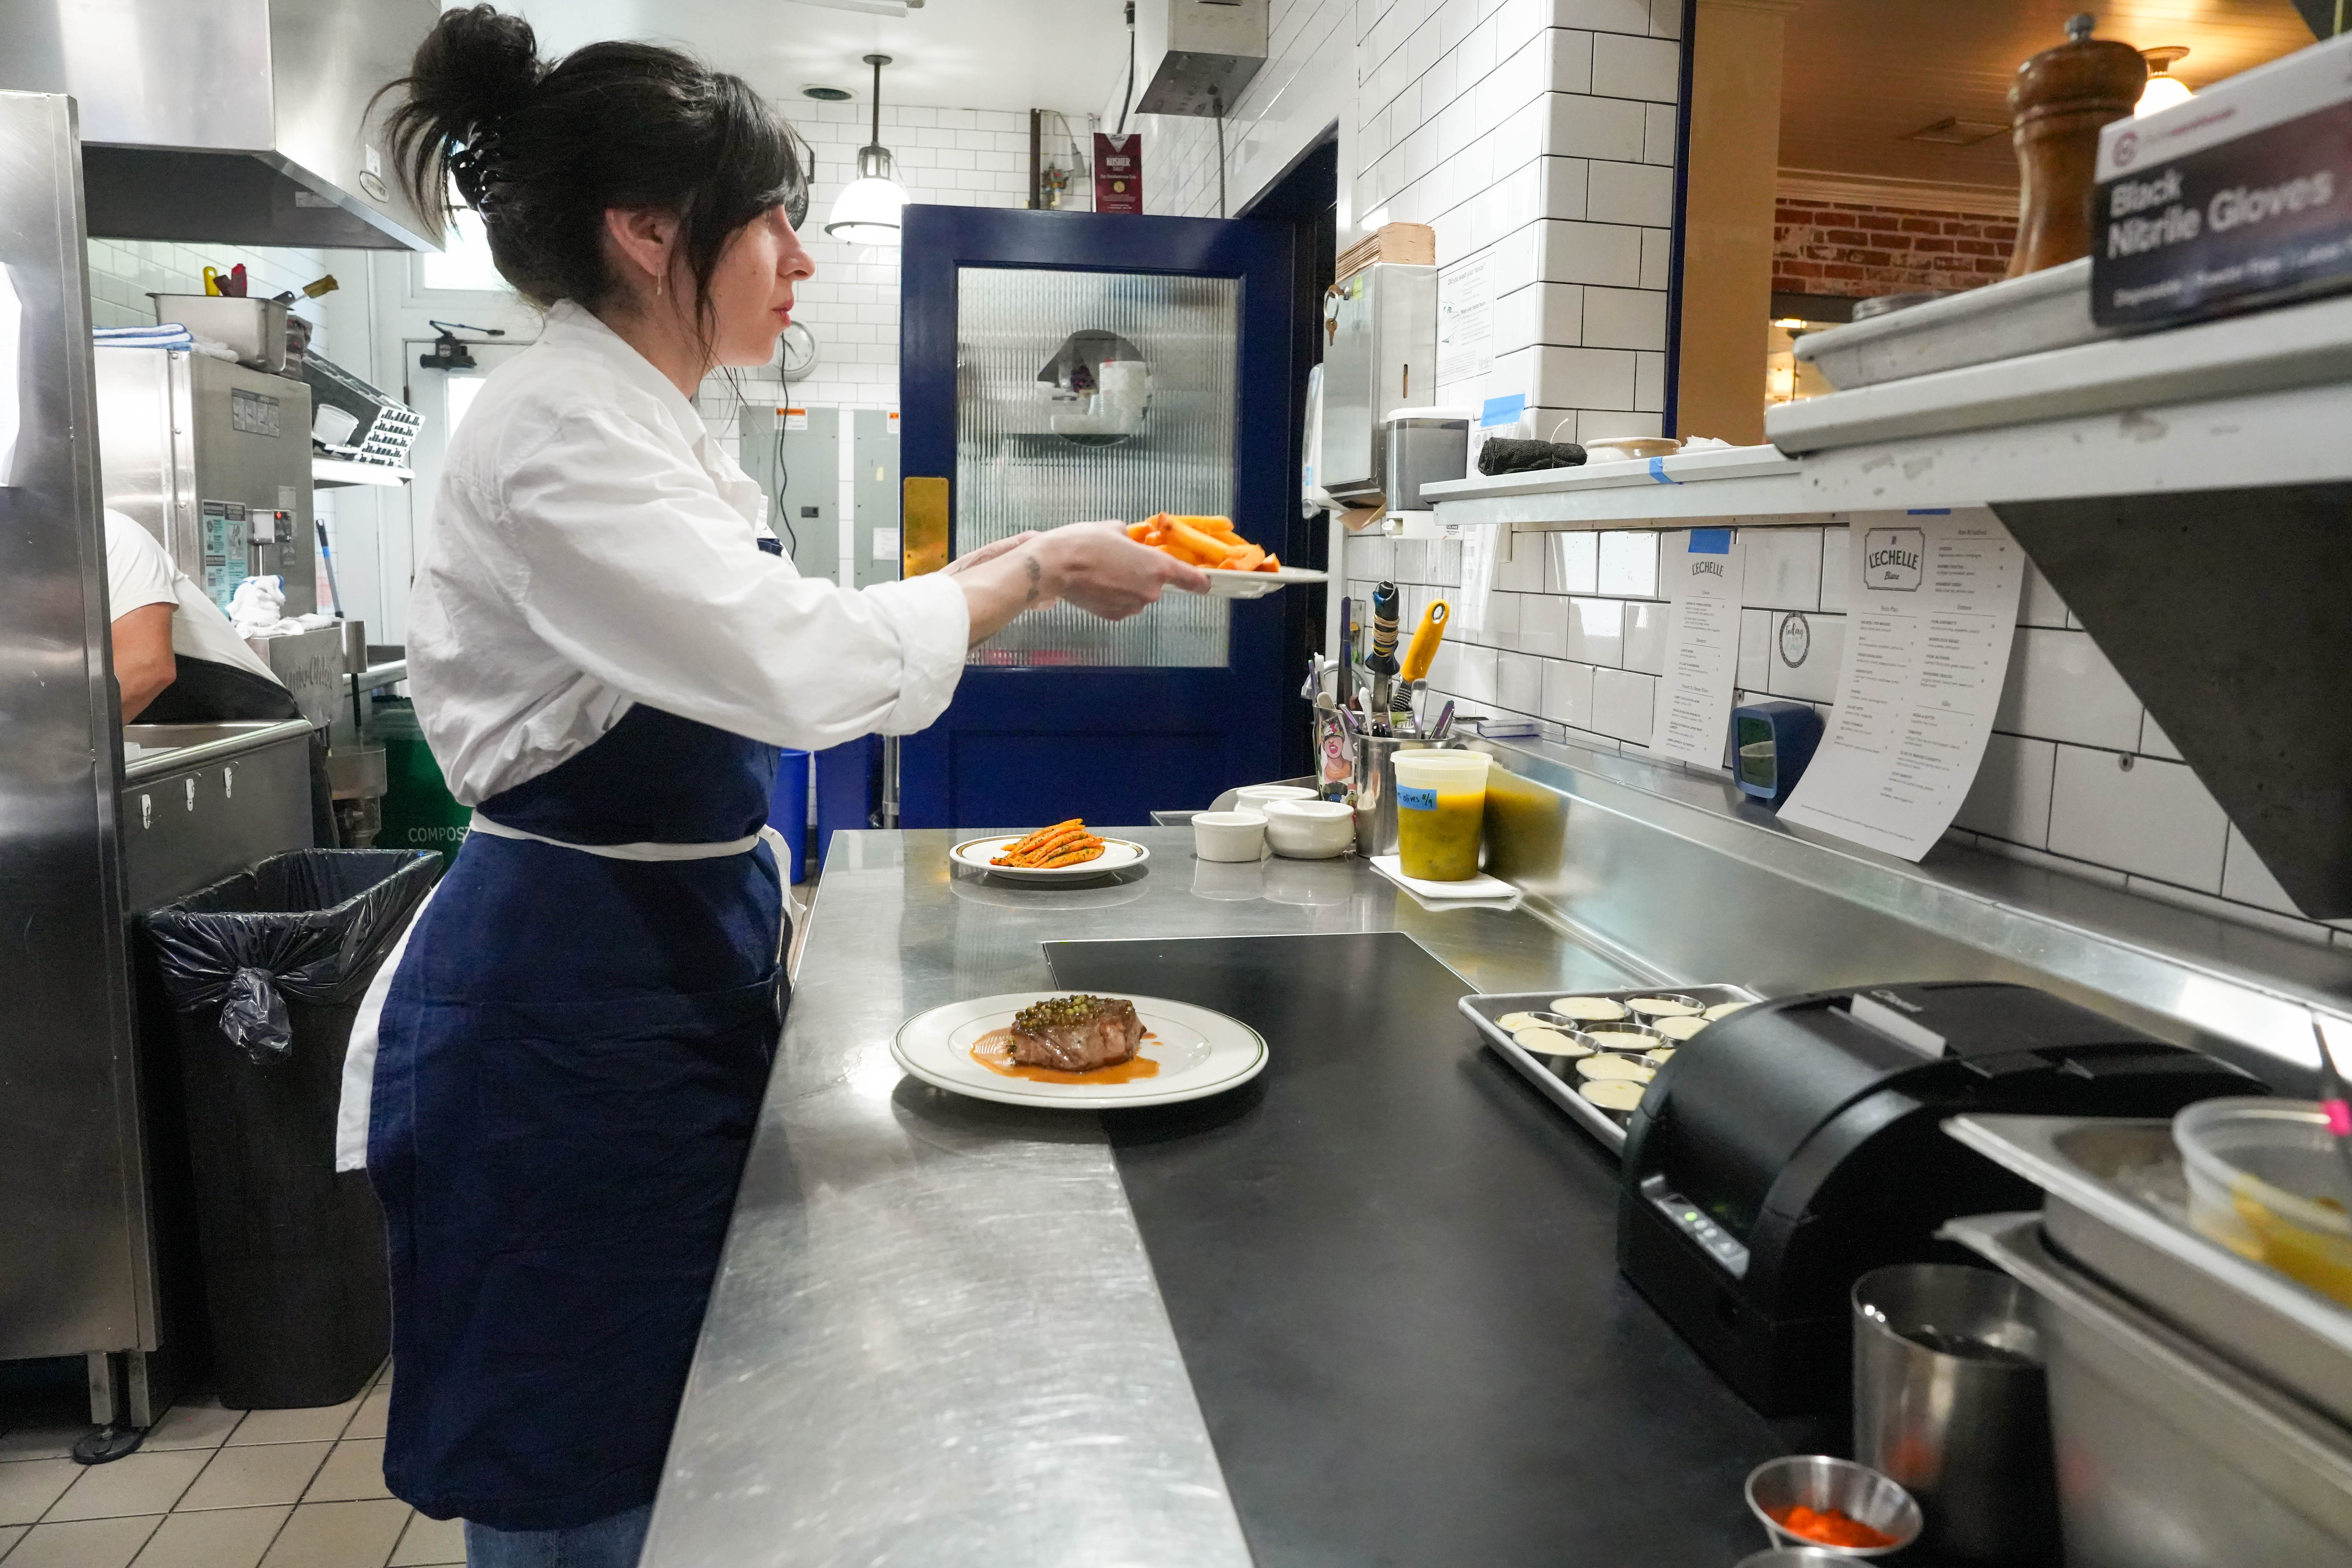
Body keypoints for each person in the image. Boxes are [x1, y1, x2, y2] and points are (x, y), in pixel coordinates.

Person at [346, 11, 1208, 1566]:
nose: (798, 260)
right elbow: (802, 671)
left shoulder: (650, 422)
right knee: (579, 1457)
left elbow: (776, 652)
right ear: (648, 227)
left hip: (649, 971)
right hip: (566, 1005)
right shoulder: (557, 434)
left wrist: (1009, 571)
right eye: (770, 220)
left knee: (664, 1418)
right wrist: (1029, 568)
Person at [102, 508, 297, 724]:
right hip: (167, 734)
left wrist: (71, 746)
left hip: (255, 730)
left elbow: (148, 669)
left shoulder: (107, 532)